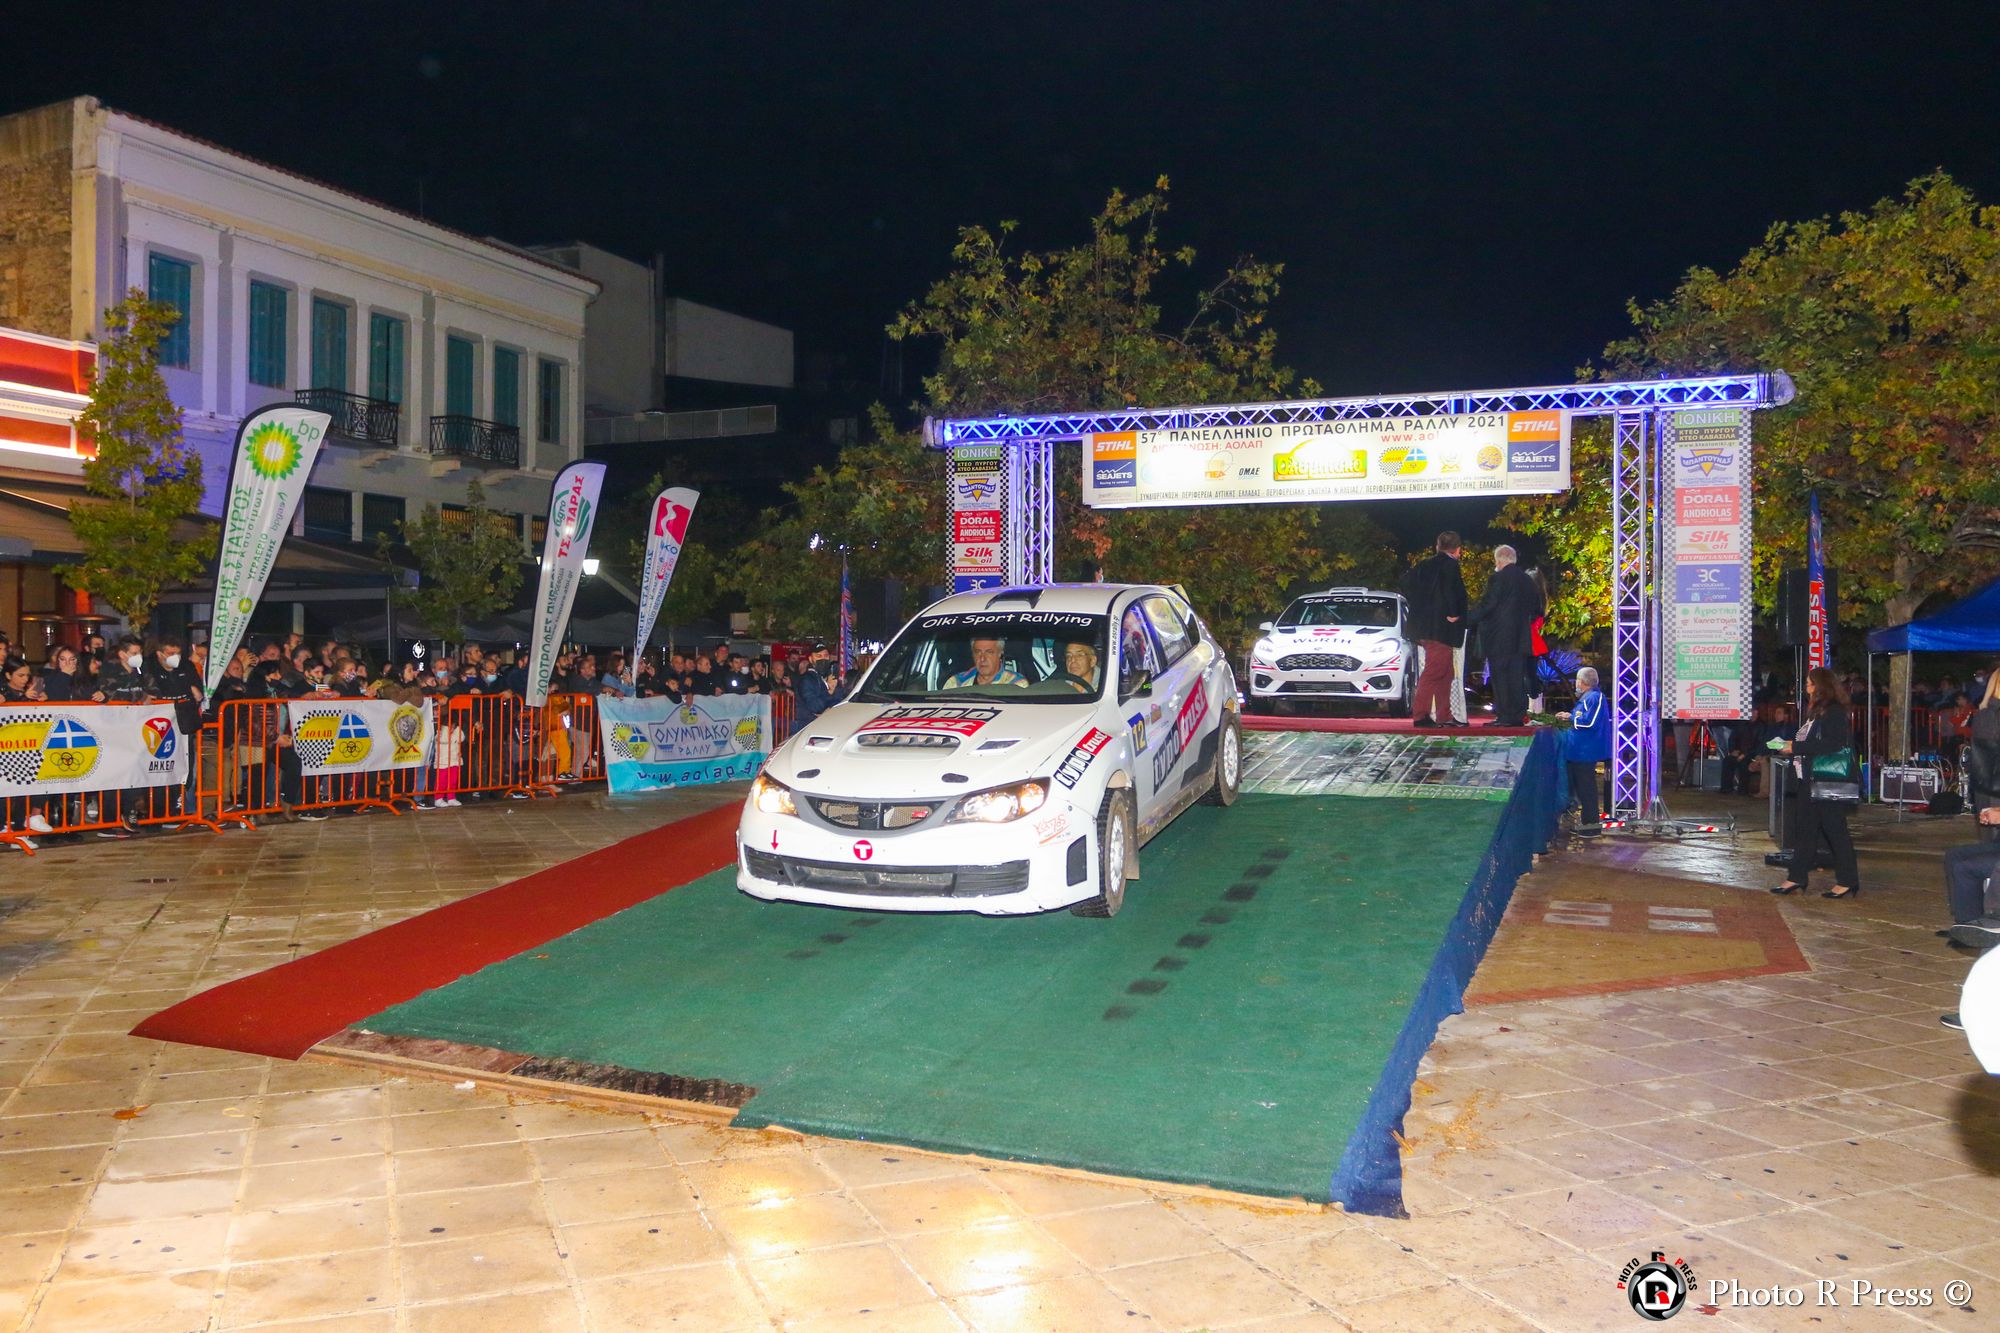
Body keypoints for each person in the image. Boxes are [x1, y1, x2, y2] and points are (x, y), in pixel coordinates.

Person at [1771, 666, 1861, 900]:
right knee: (1805, 831)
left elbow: (1833, 744)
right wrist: (1791, 745)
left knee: (1835, 830)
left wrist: (1795, 747)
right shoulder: (1817, 712)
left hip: (1827, 780)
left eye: (1810, 683)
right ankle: (1797, 877)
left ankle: (1848, 880)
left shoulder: (1834, 711)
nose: (1806, 687)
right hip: (1809, 780)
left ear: (1821, 687)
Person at [1466, 544, 1543, 727]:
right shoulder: (1527, 581)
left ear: (1499, 560)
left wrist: (1466, 619)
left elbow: (1488, 605)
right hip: (1521, 637)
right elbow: (1537, 609)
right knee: (1516, 677)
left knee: (1500, 677)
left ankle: (1504, 716)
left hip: (1498, 637)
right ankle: (1517, 715)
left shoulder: (1497, 578)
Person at [1401, 532, 1469, 728]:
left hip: (1423, 626)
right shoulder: (1450, 565)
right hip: (1440, 628)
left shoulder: (1424, 565)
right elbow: (1452, 591)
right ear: (1457, 549)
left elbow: (1405, 582)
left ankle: (1444, 715)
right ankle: (1420, 715)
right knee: (1434, 671)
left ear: (1437, 546)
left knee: (1445, 672)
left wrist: (1421, 604)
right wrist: (1453, 613)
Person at [1559, 665, 1610, 835]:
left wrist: (1570, 717)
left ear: (1582, 681)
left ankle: (1591, 827)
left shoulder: (1595, 697)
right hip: (1577, 752)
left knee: (1586, 790)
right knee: (1580, 789)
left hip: (1585, 752)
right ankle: (1584, 823)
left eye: (1577, 681)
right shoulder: (1587, 698)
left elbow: (1590, 723)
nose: (1576, 684)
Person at [944, 637, 1027, 690]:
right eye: (978, 652)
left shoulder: (1016, 684)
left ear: (1000, 653)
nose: (982, 658)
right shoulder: (956, 683)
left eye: (989, 652)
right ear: (972, 654)